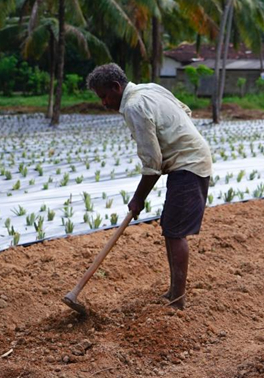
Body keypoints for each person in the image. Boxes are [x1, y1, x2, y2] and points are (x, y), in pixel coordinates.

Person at [86, 63, 212, 309]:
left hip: (189, 165)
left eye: (104, 96)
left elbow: (152, 163)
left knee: (175, 231)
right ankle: (173, 293)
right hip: (188, 161)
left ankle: (177, 299)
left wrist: (138, 198)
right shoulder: (149, 88)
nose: (104, 103)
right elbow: (184, 111)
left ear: (116, 87)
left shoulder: (134, 106)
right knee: (170, 227)